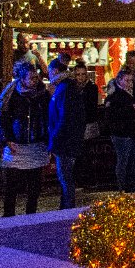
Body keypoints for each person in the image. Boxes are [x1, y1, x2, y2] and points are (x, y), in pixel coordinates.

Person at [0, 61, 50, 217]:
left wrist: (48, 139)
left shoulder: (43, 94)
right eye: (31, 78)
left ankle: (31, 216)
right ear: (22, 79)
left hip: (37, 144)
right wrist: (7, 139)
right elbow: (2, 118)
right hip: (16, 144)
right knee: (12, 186)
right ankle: (9, 216)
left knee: (34, 187)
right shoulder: (11, 94)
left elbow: (49, 117)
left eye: (36, 77)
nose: (34, 81)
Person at [48, 57, 86, 209]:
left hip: (65, 142)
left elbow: (64, 117)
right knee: (66, 176)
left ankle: (68, 207)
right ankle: (65, 205)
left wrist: (55, 140)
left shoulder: (65, 89)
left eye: (50, 73)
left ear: (55, 71)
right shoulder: (67, 87)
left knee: (65, 176)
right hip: (68, 140)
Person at [104, 69, 135, 193]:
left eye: (131, 81)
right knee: (124, 161)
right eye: (127, 80)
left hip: (133, 132)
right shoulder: (115, 95)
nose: (130, 83)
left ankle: (134, 186)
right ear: (119, 81)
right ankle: (124, 187)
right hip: (122, 133)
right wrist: (131, 108)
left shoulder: (133, 93)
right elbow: (112, 113)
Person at [72, 62, 100, 139]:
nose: (81, 77)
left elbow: (91, 106)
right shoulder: (71, 88)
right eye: (78, 74)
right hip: (76, 123)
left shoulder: (92, 87)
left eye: (83, 74)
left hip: (88, 123)